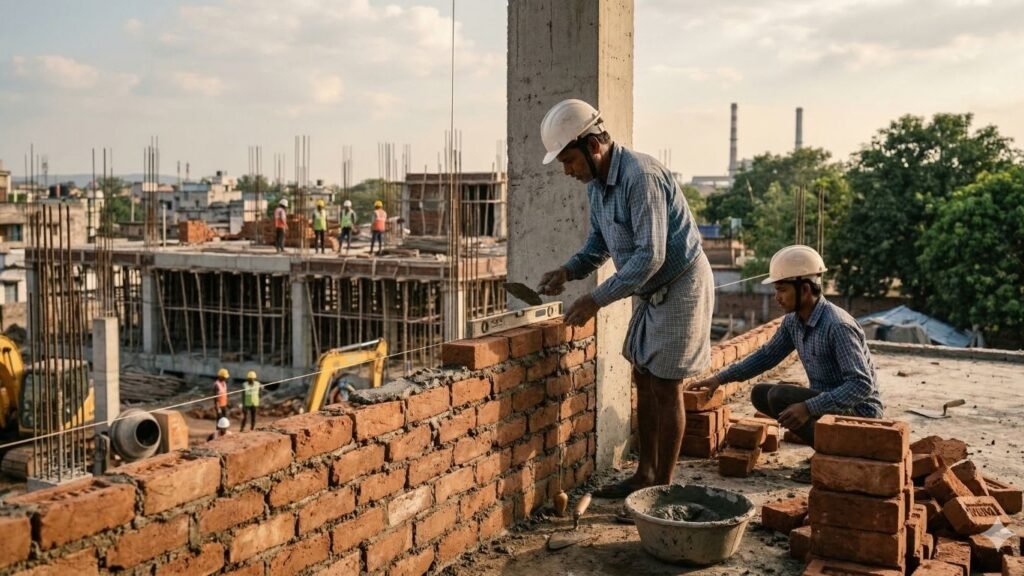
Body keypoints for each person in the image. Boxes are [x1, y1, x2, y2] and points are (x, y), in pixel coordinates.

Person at [535, 99, 714, 498]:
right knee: (643, 376)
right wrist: (568, 271)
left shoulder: (640, 176)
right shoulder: (597, 187)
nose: (568, 171)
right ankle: (643, 475)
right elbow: (599, 245)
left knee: (667, 385)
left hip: (681, 284)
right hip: (649, 289)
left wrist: (596, 299)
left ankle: (660, 492)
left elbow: (651, 254)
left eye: (569, 161)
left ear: (592, 147)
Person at [686, 245, 883, 446]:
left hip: (859, 413)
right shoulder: (794, 321)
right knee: (760, 394)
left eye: (781, 290)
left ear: (805, 289)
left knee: (779, 396)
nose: (776, 297)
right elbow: (766, 356)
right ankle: (826, 441)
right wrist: (719, 379)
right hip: (829, 406)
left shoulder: (838, 325)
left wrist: (808, 407)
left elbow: (861, 385)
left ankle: (832, 450)